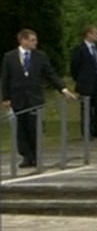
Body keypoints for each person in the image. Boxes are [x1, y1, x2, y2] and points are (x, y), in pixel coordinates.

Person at [1, 29, 76, 167]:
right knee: (21, 129)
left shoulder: (40, 56)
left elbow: (50, 73)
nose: (35, 43)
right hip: (18, 98)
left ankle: (36, 155)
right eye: (32, 40)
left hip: (34, 98)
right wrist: (6, 97)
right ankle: (26, 156)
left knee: (35, 127)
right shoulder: (10, 57)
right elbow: (5, 78)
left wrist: (62, 89)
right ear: (23, 40)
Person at [69, 25, 97, 139]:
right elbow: (74, 67)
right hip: (86, 83)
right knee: (86, 109)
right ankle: (86, 132)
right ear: (88, 34)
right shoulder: (79, 49)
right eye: (96, 33)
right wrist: (80, 79)